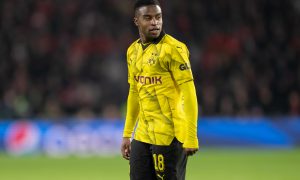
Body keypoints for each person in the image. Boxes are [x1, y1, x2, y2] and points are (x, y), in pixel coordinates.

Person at [121, 0, 199, 179]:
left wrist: (191, 136)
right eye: (148, 18)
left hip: (170, 136)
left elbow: (189, 93)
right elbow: (134, 92)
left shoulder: (174, 49)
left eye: (158, 17)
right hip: (142, 135)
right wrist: (127, 134)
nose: (154, 22)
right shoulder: (132, 51)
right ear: (136, 21)